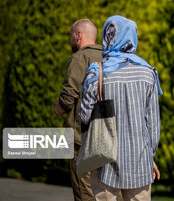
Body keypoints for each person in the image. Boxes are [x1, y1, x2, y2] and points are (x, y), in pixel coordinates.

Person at [78, 15, 162, 201]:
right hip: (140, 163)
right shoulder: (148, 73)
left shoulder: (97, 71)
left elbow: (84, 116)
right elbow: (154, 126)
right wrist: (150, 156)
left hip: (104, 161)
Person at [55, 19, 102, 201]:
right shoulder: (109, 57)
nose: (69, 41)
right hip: (107, 137)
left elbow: (68, 97)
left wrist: (59, 108)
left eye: (70, 37)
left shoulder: (79, 58)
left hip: (80, 137)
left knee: (84, 192)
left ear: (78, 35)